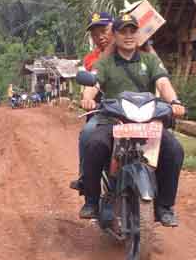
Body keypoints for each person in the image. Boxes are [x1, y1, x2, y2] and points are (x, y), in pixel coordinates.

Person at [80, 13, 186, 227]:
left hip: (146, 122)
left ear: (138, 34)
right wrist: (87, 98)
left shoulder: (150, 60)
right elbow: (94, 83)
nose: (128, 36)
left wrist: (174, 101)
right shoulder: (106, 62)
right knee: (94, 144)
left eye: (132, 31)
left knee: (174, 150)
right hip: (114, 120)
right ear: (115, 35)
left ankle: (164, 206)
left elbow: (163, 82)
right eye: (123, 31)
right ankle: (91, 201)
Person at [70, 12, 115, 191]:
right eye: (95, 34)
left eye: (104, 30)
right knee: (88, 132)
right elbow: (94, 80)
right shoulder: (92, 59)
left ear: (114, 28)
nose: (100, 37)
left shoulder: (132, 50)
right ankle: (85, 178)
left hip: (133, 108)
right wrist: (86, 98)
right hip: (103, 109)